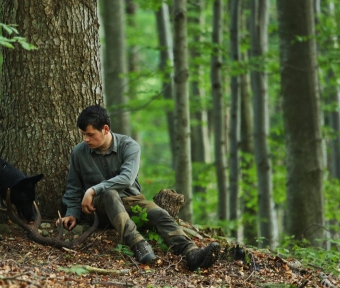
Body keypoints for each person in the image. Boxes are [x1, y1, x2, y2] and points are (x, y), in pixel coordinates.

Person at [56, 105, 220, 270]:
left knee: (159, 214)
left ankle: (191, 253)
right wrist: (72, 213)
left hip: (132, 201)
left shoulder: (129, 146)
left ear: (105, 129)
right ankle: (138, 244)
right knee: (110, 194)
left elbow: (127, 179)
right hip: (100, 210)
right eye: (83, 134)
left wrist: (92, 190)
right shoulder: (79, 152)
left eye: (90, 135)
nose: (86, 139)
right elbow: (73, 187)